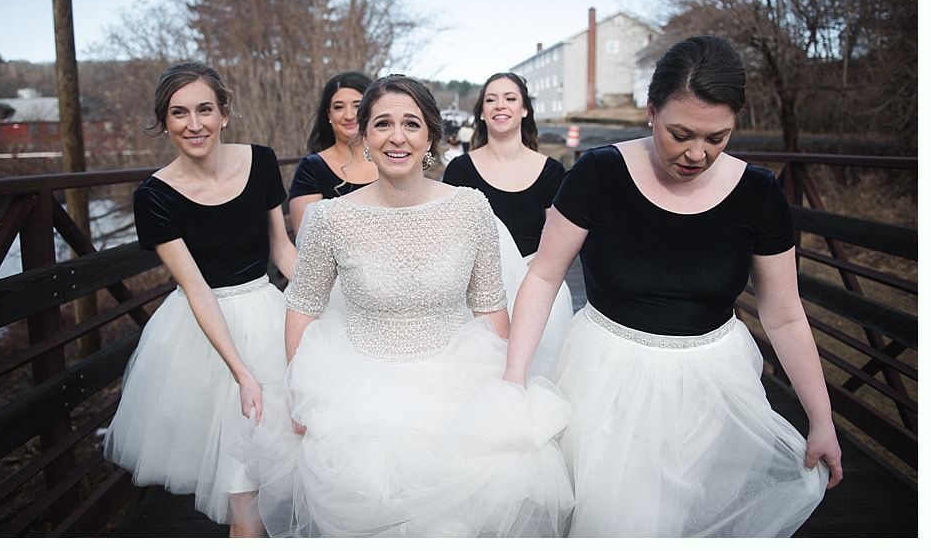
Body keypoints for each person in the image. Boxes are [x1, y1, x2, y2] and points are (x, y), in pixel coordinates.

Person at [503, 36, 843, 537]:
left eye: (717, 138)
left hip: (713, 385)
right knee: (618, 517)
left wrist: (822, 420)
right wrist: (514, 381)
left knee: (676, 518)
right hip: (607, 375)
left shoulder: (759, 193)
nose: (696, 154)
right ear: (651, 112)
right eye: (680, 133)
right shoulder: (597, 173)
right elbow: (545, 276)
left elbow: (785, 313)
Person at [256, 74, 574, 537]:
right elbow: (302, 307)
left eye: (411, 124)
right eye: (383, 124)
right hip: (356, 392)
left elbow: (489, 306)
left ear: (430, 137)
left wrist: (506, 393)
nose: (397, 136)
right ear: (365, 136)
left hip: (456, 383)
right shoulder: (330, 218)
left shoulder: (470, 207)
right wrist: (297, 396)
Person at [103, 62, 299, 537]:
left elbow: (282, 250)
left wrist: (325, 307)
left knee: (285, 474)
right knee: (244, 492)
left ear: (224, 113)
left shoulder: (261, 160)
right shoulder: (154, 196)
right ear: (164, 123)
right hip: (205, 338)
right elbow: (194, 288)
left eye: (205, 110)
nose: (194, 124)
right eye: (179, 114)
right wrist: (242, 374)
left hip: (267, 312)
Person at [443, 72, 572, 377]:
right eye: (491, 99)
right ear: (482, 114)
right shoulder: (460, 170)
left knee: (539, 375)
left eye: (510, 98)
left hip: (536, 291)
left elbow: (558, 247)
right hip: (474, 293)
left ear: (524, 109)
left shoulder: (551, 171)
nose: (500, 105)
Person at [288, 72, 377, 237]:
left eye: (357, 105)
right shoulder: (312, 168)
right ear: (329, 114)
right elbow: (307, 241)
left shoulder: (391, 159)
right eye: (338, 107)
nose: (349, 115)